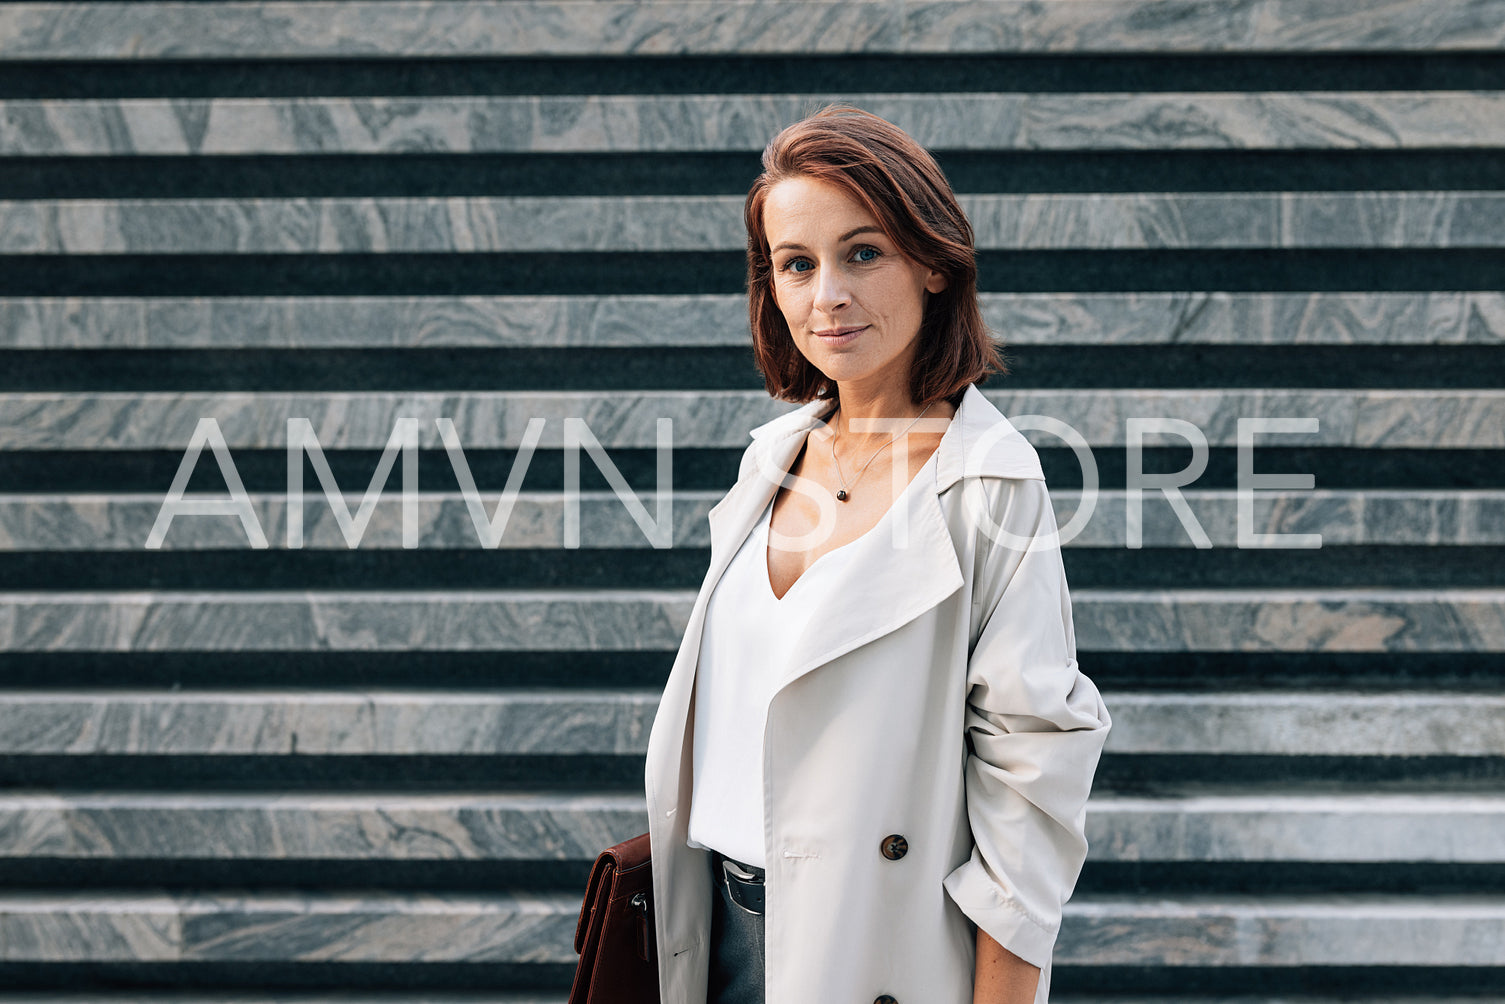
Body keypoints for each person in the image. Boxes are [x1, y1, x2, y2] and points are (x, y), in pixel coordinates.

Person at [643, 104, 1111, 1004]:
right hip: (709, 928)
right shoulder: (768, 458)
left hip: (871, 943)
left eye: (864, 253)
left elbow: (1033, 776)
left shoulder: (989, 482)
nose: (828, 295)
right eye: (796, 263)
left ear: (932, 262)